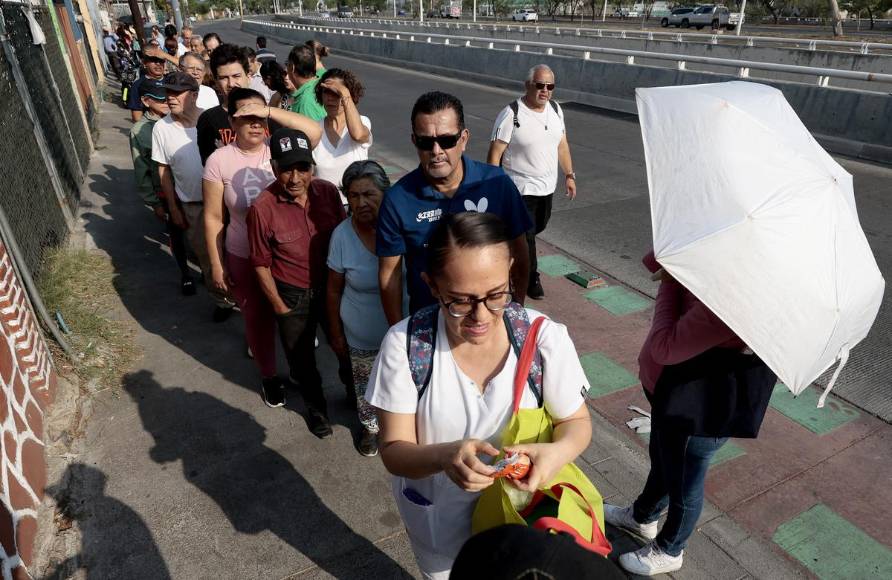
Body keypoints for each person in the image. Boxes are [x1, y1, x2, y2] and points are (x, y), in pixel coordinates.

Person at [367, 212, 593, 579]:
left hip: (523, 525)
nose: (480, 316)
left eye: (496, 295)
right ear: (432, 285)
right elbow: (394, 450)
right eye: (459, 301)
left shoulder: (543, 339)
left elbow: (576, 421)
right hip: (442, 533)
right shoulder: (406, 345)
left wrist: (556, 453)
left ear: (511, 274)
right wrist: (445, 456)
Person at [603, 252, 771, 576]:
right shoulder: (717, 263)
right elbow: (655, 260)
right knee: (665, 463)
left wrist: (670, 280)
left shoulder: (729, 302)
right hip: (672, 399)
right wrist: (674, 258)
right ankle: (643, 515)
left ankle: (670, 548)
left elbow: (664, 346)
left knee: (684, 484)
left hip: (696, 413)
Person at [203, 88, 322, 408]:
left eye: (259, 118)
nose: (254, 124)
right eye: (246, 117)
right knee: (257, 318)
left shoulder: (279, 149)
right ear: (231, 121)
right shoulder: (219, 160)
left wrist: (269, 111)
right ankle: (269, 376)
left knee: (291, 316)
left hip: (286, 253)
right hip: (244, 253)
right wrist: (217, 264)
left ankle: (298, 368)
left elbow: (314, 131)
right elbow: (214, 217)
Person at [376, 91, 532, 324]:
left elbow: (520, 253)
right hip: (431, 326)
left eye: (447, 140)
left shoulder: (497, 184)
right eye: (426, 142)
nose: (436, 151)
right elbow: (390, 275)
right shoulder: (397, 200)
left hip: (490, 322)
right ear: (414, 141)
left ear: (464, 139)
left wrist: (517, 311)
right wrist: (398, 333)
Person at [245, 128, 344, 435]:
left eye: (303, 168)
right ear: (274, 168)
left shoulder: (327, 193)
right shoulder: (262, 208)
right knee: (303, 363)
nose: (296, 178)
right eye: (287, 169)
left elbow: (345, 240)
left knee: (345, 348)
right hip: (292, 296)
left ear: (312, 167)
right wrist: (280, 308)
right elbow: (260, 264)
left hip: (332, 290)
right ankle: (317, 413)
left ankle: (358, 397)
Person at [326, 161, 402, 457]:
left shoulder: (400, 225)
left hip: (402, 330)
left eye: (369, 194)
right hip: (362, 335)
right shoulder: (342, 236)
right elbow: (333, 289)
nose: (361, 203)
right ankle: (371, 429)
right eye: (354, 196)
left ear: (385, 193)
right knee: (366, 388)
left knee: (404, 383)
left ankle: (404, 427)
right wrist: (335, 334)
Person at [487, 64, 577, 301]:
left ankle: (509, 256)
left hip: (547, 187)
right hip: (519, 188)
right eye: (540, 85)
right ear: (528, 85)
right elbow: (495, 153)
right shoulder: (511, 113)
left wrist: (569, 175)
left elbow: (562, 145)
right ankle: (529, 279)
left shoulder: (556, 110)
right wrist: (495, 187)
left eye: (550, 86)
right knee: (526, 237)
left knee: (536, 229)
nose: (545, 90)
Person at [153, 71, 234, 316]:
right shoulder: (161, 128)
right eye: (168, 92)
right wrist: (174, 208)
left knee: (237, 254)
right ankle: (223, 301)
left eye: (177, 93)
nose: (170, 98)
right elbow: (163, 170)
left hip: (227, 203)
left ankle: (247, 299)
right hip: (194, 206)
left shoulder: (210, 121)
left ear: (195, 95)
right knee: (209, 259)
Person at [129, 80, 192, 293]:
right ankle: (186, 274)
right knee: (177, 236)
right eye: (158, 98)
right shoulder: (140, 131)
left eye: (166, 95)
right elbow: (142, 170)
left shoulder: (179, 120)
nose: (165, 100)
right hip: (166, 192)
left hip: (188, 186)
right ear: (146, 101)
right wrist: (154, 202)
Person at [313, 68, 372, 204]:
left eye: (336, 93)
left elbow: (358, 135)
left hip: (357, 207)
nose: (330, 98)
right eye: (326, 92)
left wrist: (345, 92)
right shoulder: (315, 128)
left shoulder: (363, 121)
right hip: (324, 207)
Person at [196, 43, 252, 165]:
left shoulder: (268, 114)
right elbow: (210, 167)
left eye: (236, 76)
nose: (231, 83)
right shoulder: (208, 120)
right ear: (216, 82)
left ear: (248, 76)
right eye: (224, 78)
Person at [286, 45, 326, 121]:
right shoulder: (318, 84)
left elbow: (312, 132)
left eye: (287, 64)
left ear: (292, 68)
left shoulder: (305, 103)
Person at [127, 49, 167, 122]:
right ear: (145, 63)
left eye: (161, 61)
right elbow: (137, 115)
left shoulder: (171, 81)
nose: (158, 64)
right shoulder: (137, 85)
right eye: (154, 60)